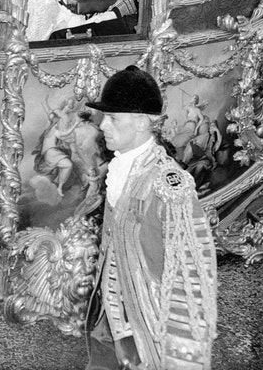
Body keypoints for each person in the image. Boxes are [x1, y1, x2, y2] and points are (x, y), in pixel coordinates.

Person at [85, 66, 217, 370]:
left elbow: (192, 278)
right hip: (114, 320)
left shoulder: (169, 186)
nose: (103, 125)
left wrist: (182, 359)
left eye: (114, 118)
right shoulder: (121, 169)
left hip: (151, 328)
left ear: (143, 123)